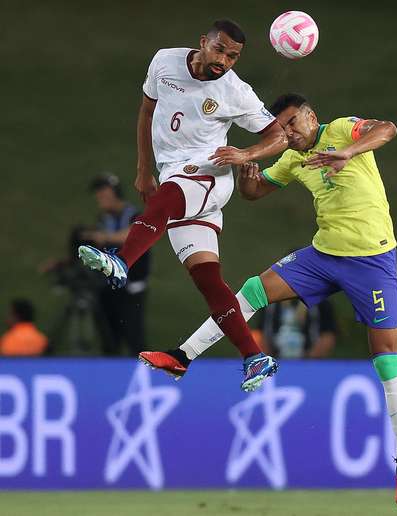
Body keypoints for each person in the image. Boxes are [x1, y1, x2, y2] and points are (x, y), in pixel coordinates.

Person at [139, 93, 397, 504]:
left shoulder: (341, 129)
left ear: (312, 116)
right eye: (281, 127)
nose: (287, 132)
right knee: (253, 289)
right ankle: (182, 355)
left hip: (372, 261)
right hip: (323, 255)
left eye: (292, 123)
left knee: (386, 359)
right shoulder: (291, 159)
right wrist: (249, 180)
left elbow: (387, 129)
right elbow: (257, 193)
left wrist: (347, 152)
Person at [76, 20, 288, 391]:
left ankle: (121, 261)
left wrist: (246, 153)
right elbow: (146, 110)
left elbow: (279, 136)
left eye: (233, 56)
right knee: (207, 278)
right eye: (220, 50)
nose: (224, 60)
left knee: (170, 195)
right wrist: (143, 169)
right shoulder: (165, 62)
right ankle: (254, 357)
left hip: (209, 174)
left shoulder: (235, 92)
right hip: (174, 174)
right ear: (202, 42)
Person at [80, 174, 150, 355]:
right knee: (109, 338)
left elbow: (133, 234)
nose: (99, 198)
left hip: (132, 286)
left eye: (103, 193)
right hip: (109, 286)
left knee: (134, 336)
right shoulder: (103, 219)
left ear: (115, 193)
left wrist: (103, 237)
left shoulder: (134, 215)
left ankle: (139, 374)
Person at [254, 297, 337, 358]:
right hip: (276, 361)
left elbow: (328, 336)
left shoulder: (320, 300)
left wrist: (310, 360)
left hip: (310, 363)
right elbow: (260, 334)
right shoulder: (270, 301)